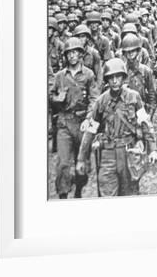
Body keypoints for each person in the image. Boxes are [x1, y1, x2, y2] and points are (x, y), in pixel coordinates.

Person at [76, 58, 157, 197]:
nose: (114, 81)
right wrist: (81, 158)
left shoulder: (134, 97)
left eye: (118, 77)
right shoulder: (101, 101)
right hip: (108, 155)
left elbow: (145, 123)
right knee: (108, 194)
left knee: (130, 193)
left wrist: (153, 149)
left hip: (128, 153)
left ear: (123, 78)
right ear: (107, 80)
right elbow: (90, 130)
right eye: (111, 78)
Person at [49, 37, 99, 199]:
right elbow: (50, 95)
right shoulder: (60, 76)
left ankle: (78, 189)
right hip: (64, 122)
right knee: (63, 163)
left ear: (80, 54)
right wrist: (57, 98)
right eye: (69, 53)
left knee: (82, 163)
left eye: (75, 52)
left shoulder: (89, 75)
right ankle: (63, 194)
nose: (72, 56)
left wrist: (89, 117)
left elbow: (94, 99)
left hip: (82, 123)